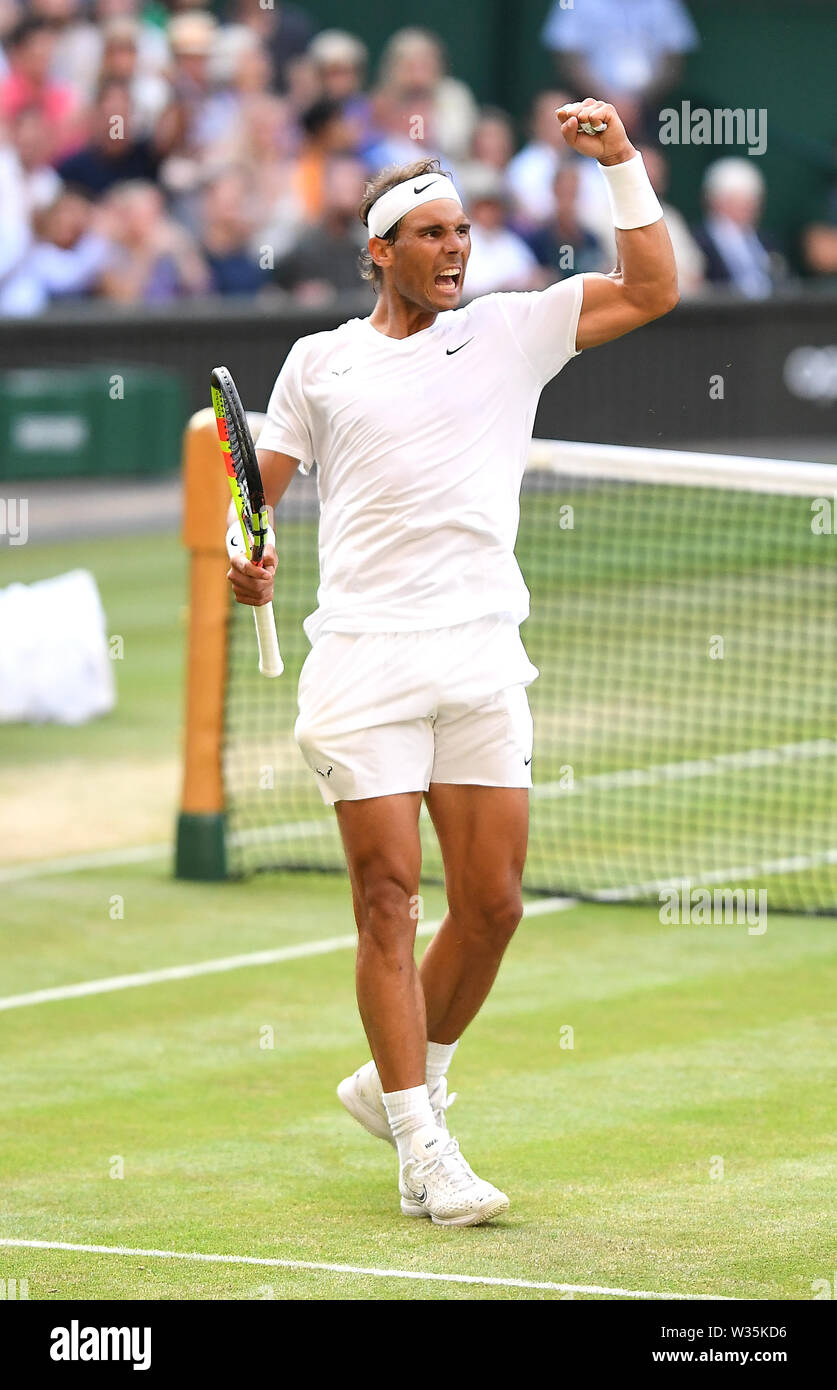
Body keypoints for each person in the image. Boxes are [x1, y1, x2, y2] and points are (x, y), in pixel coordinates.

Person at [227, 98, 678, 1227]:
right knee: (390, 902)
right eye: (431, 235)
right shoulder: (317, 365)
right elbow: (253, 501)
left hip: (481, 657)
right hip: (364, 666)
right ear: (380, 251)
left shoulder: (514, 330)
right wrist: (248, 554)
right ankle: (423, 1141)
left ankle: (394, 1083)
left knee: (493, 906)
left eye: (464, 233)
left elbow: (655, 287)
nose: (455, 251)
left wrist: (620, 160)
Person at [273, 154, 371, 302]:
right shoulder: (301, 244)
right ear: (327, 189)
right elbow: (273, 287)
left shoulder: (368, 246)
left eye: (355, 188)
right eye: (343, 187)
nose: (350, 195)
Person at [693, 157, 785, 298]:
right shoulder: (698, 242)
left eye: (752, 200)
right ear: (716, 201)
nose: (748, 207)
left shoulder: (767, 241)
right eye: (737, 200)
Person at [458, 163, 542, 296]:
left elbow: (533, 275)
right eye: (484, 207)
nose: (490, 213)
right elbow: (464, 288)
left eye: (494, 207)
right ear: (473, 209)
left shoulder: (510, 241)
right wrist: (499, 287)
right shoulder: (461, 242)